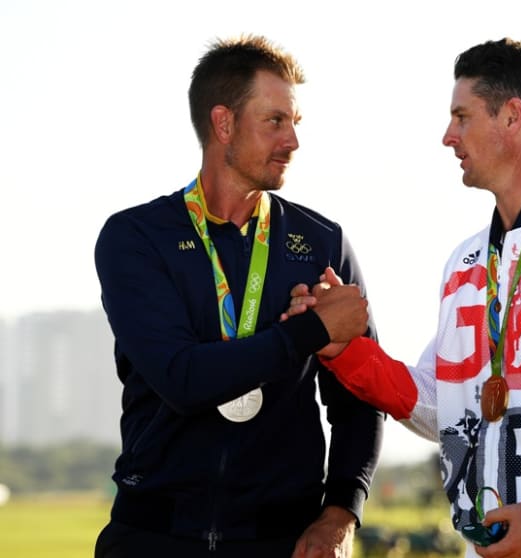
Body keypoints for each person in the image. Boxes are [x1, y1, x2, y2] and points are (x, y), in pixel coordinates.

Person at [290, 38, 521, 557]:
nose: (448, 137)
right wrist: (345, 350)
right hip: (489, 540)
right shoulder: (466, 261)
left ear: (512, 117)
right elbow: (439, 406)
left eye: (461, 116)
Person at [93, 34, 384, 558]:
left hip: (282, 542)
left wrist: (341, 512)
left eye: (296, 123)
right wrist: (311, 330)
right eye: (275, 121)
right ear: (222, 123)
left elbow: (360, 400)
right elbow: (183, 378)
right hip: (154, 539)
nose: (293, 140)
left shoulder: (322, 243)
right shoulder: (136, 237)